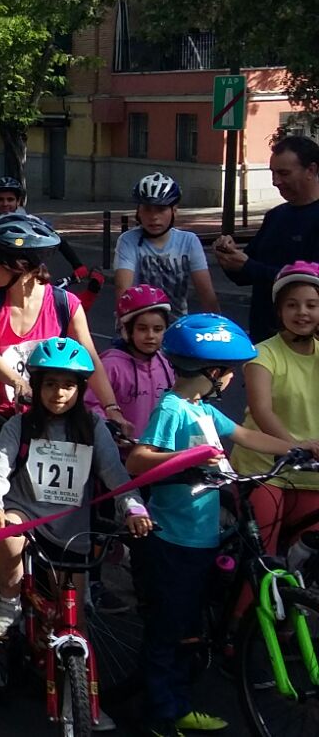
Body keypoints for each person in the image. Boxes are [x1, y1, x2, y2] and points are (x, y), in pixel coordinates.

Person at [126, 313, 300, 737]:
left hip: (206, 538)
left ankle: (179, 702)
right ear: (212, 372)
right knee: (169, 629)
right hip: (175, 543)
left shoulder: (202, 410)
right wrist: (185, 461)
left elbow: (244, 434)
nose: (230, 380)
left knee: (190, 629)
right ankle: (160, 714)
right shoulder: (172, 409)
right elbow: (137, 460)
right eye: (229, 372)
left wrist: (298, 448)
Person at [0, 340, 151, 704]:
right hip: (25, 515)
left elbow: (116, 476)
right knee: (9, 532)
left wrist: (134, 508)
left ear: (80, 389)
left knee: (75, 624)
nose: (59, 393)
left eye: (68, 386)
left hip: (72, 532)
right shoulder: (19, 426)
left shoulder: (93, 428)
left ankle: (85, 702)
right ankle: (8, 603)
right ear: (36, 386)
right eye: (50, 384)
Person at [0, 213, 132, 439]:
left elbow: (91, 359)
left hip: (42, 416)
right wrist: (19, 384)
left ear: (19, 265)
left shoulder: (66, 304)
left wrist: (112, 409)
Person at [231, 262, 319, 554]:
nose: (302, 313)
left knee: (308, 560)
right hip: (266, 468)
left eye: (311, 305)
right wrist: (294, 447)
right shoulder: (263, 355)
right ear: (279, 311)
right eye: (292, 305)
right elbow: (261, 411)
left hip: (311, 471)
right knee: (261, 558)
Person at [215, 134, 319, 342]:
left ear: (312, 170)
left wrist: (249, 266)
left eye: (283, 173)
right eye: (272, 173)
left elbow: (310, 280)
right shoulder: (276, 215)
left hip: (308, 344)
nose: (275, 181)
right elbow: (245, 275)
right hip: (265, 340)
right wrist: (228, 257)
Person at [115, 173, 219, 319]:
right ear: (138, 211)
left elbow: (206, 293)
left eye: (161, 209)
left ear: (174, 211)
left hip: (177, 328)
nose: (154, 217)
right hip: (139, 328)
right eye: (147, 209)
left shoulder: (189, 241)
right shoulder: (128, 240)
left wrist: (218, 327)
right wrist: (124, 324)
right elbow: (122, 289)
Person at [86, 285, 175, 432]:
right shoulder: (110, 365)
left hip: (157, 452)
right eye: (142, 328)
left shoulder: (167, 364)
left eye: (158, 329)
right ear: (127, 330)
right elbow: (89, 404)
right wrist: (111, 428)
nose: (150, 335)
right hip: (118, 452)